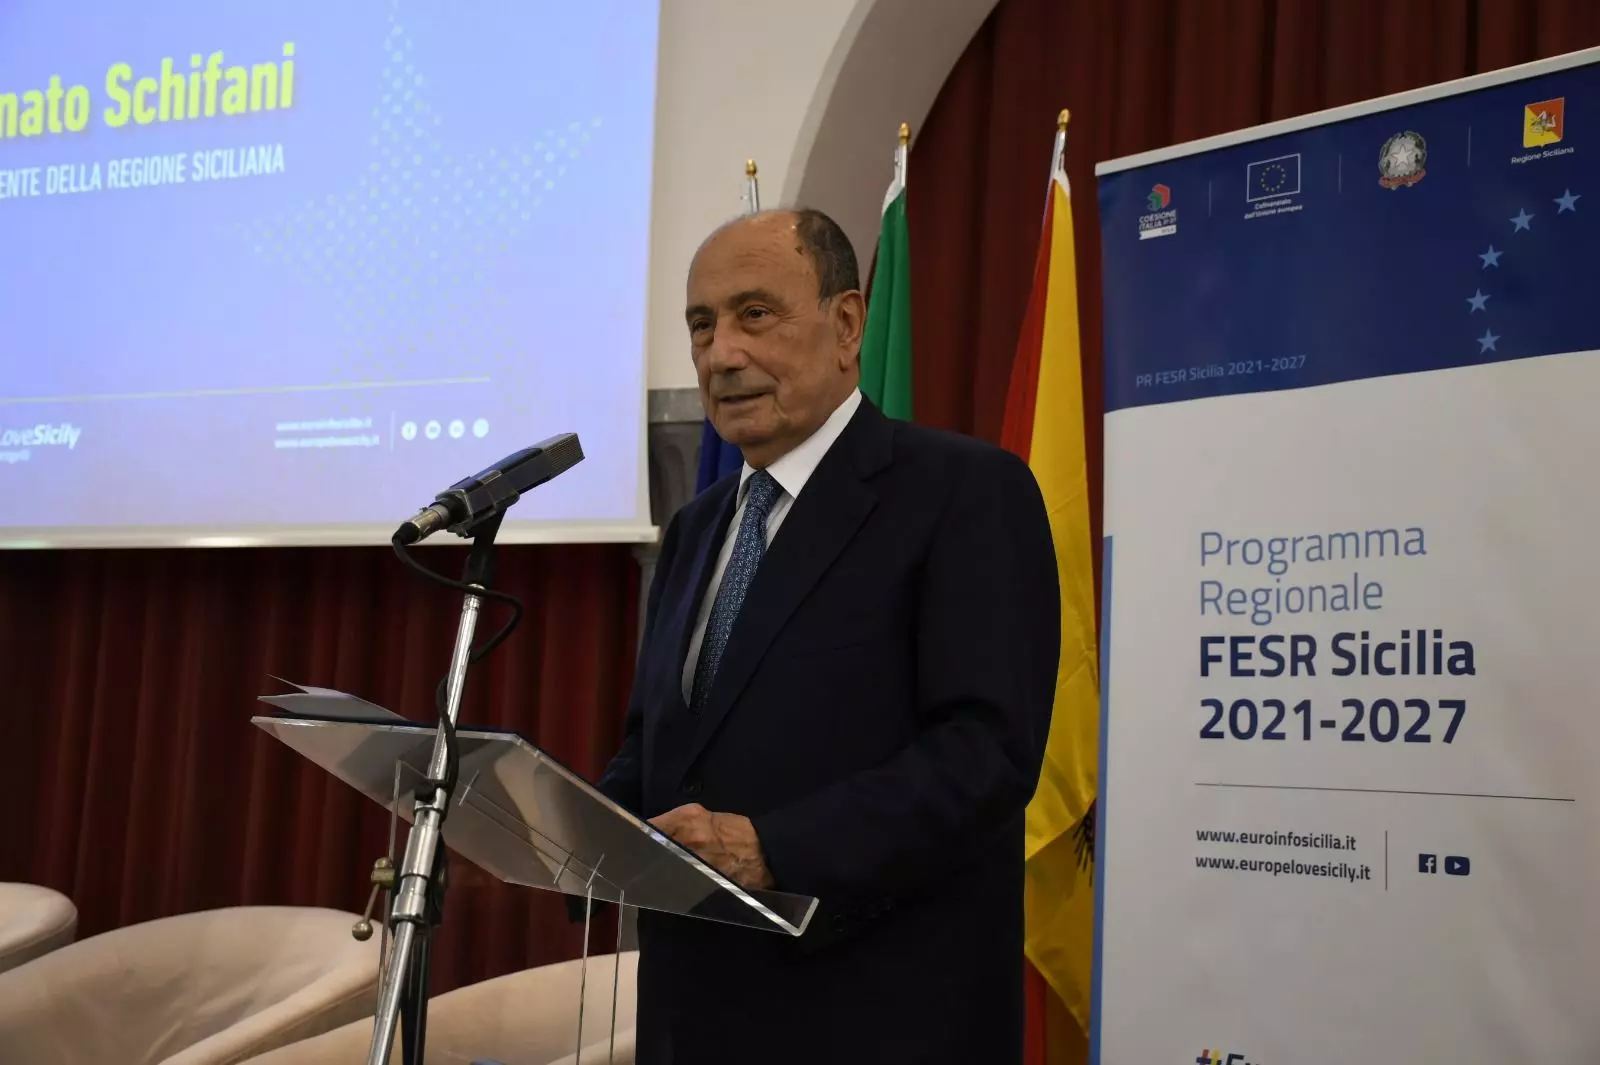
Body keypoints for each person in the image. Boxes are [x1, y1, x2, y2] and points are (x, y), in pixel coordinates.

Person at [596, 207, 1061, 1064]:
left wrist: (775, 847)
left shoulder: (965, 493)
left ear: (847, 325)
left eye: (754, 314)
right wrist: (574, 826)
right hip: (691, 1013)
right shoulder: (696, 527)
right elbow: (658, 746)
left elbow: (985, 755)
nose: (720, 353)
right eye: (701, 325)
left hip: (878, 1015)